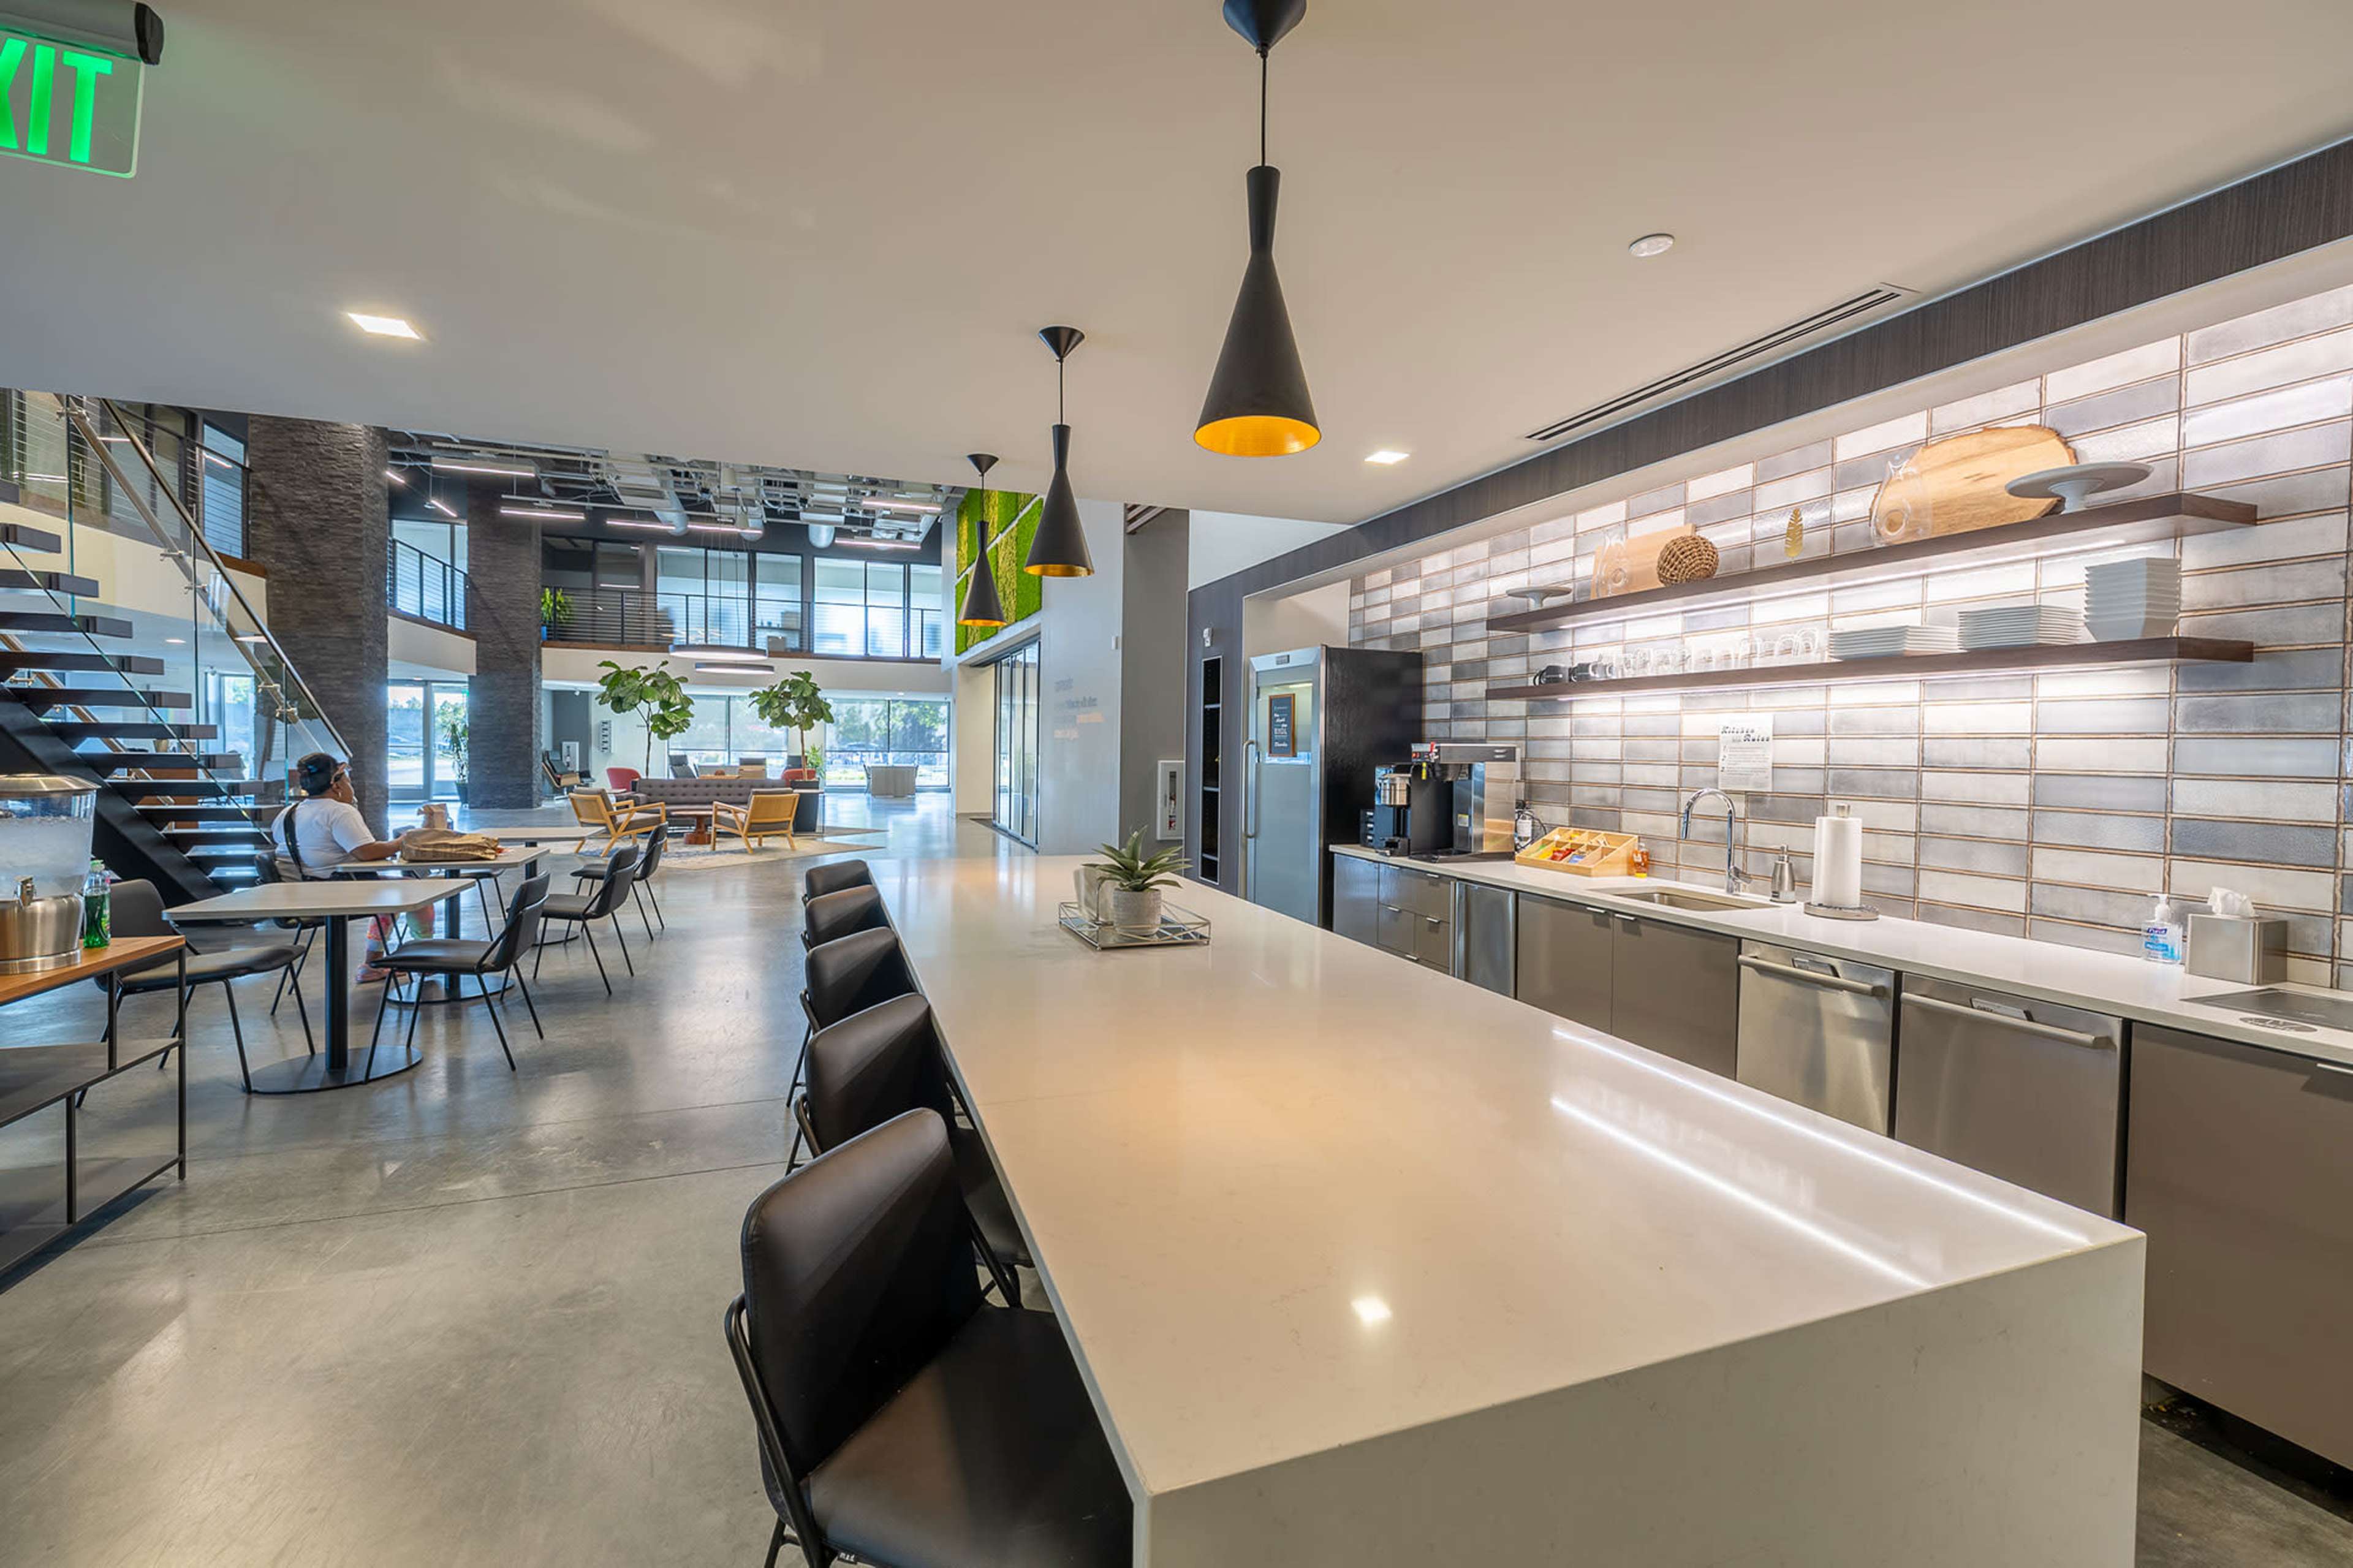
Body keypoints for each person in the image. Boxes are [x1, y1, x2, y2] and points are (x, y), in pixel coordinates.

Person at [279, 753, 414, 982]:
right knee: (412, 889)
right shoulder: (340, 812)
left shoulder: (288, 813)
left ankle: (374, 963)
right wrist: (402, 841)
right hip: (339, 893)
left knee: (391, 890)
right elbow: (366, 852)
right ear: (337, 785)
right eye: (349, 781)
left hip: (302, 894)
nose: (351, 787)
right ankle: (425, 960)